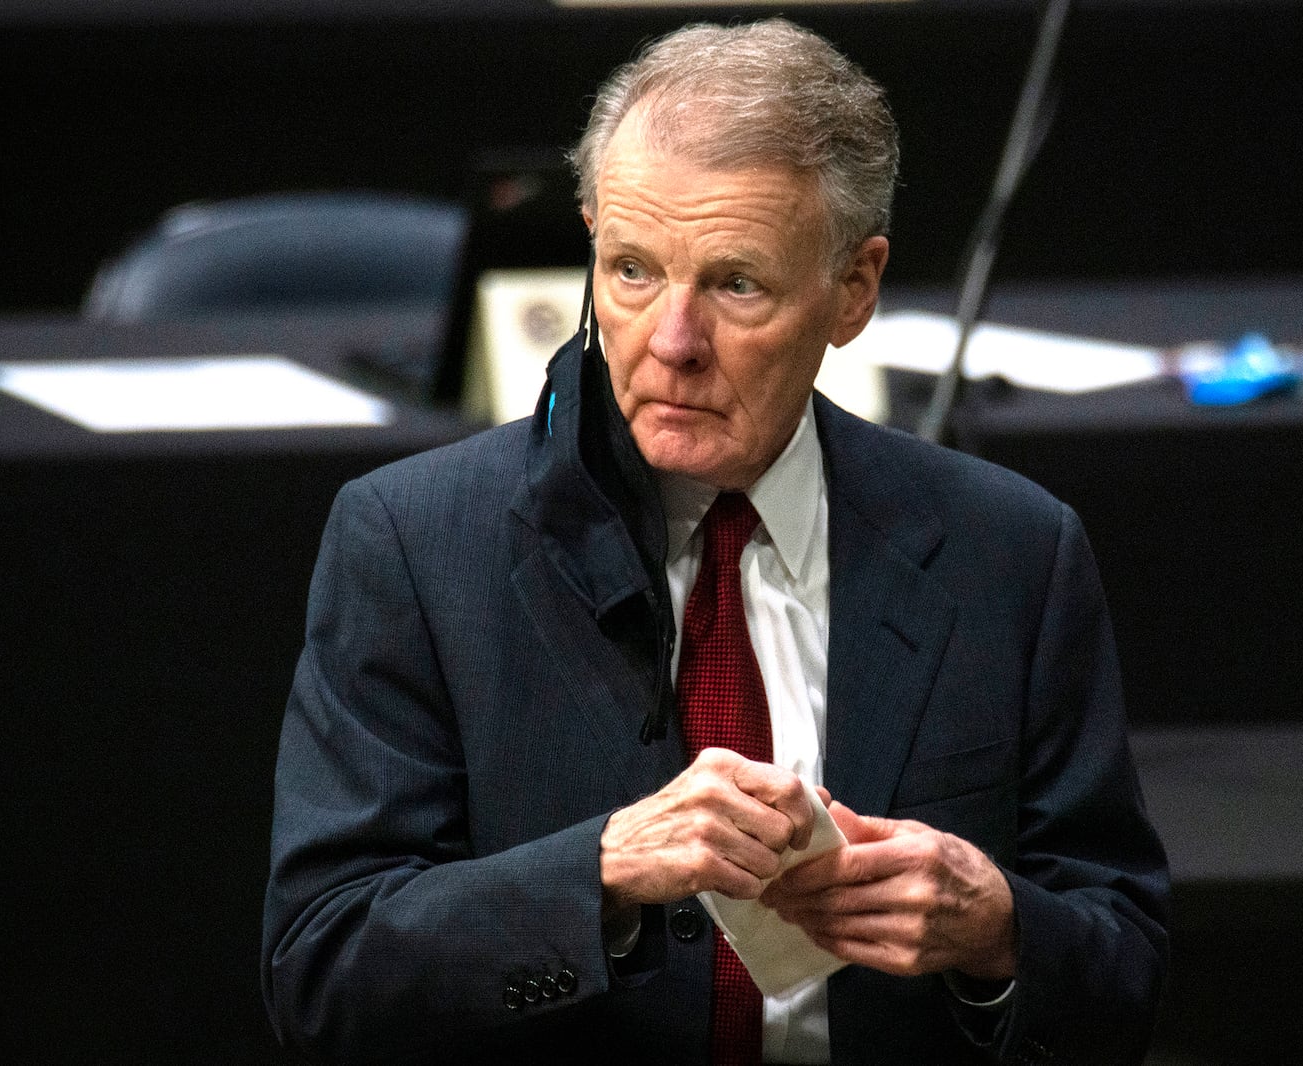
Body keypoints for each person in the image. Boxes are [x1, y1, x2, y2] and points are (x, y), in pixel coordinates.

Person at [262, 18, 1168, 1066]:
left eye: (736, 285)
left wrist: (995, 929)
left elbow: (1123, 977)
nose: (671, 342)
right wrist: (595, 871)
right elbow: (322, 975)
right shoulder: (417, 545)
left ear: (854, 290)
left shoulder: (1010, 551)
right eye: (633, 271)